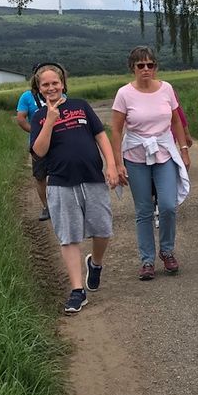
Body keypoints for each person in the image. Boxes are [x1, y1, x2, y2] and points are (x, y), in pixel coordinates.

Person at [30, 62, 119, 314]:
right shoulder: (39, 117)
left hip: (92, 178)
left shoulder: (80, 105)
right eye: (45, 84)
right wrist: (49, 121)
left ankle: (96, 263)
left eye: (54, 83)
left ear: (63, 84)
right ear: (38, 88)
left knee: (102, 230)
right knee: (69, 236)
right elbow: (38, 152)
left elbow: (100, 135)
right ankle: (77, 291)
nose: (51, 88)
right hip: (60, 183)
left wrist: (111, 165)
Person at [111, 46, 191, 281]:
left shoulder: (166, 89)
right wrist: (117, 163)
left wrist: (184, 149)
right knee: (144, 210)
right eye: (140, 65)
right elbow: (115, 129)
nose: (146, 69)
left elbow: (176, 121)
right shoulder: (124, 94)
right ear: (132, 68)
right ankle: (147, 260)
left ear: (156, 67)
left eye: (150, 65)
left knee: (167, 205)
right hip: (135, 155)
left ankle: (167, 251)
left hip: (164, 153)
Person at [16, 69, 48, 221]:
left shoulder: (59, 94)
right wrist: (35, 132)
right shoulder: (26, 97)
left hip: (59, 142)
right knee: (40, 176)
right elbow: (21, 119)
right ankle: (46, 206)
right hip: (37, 144)